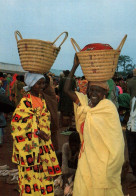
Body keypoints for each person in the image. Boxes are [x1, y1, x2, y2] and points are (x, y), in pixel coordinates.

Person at [64, 54, 125, 196]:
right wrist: (75, 66)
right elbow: (67, 90)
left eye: (98, 90)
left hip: (103, 161)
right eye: (91, 89)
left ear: (105, 93)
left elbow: (116, 141)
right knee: (83, 186)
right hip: (86, 156)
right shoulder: (84, 104)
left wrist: (112, 166)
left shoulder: (108, 108)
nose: (93, 93)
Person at [11, 72, 61, 196]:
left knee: (45, 176)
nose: (42, 86)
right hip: (29, 148)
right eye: (39, 83)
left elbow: (45, 120)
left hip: (43, 147)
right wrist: (37, 132)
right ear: (32, 84)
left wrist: (43, 132)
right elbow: (17, 124)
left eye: (43, 83)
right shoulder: (25, 102)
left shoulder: (42, 100)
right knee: (30, 178)